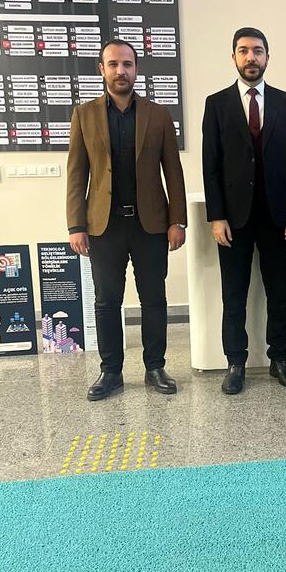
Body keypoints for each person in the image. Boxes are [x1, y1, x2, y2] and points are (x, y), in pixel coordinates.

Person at [66, 39, 187, 401]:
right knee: (106, 301)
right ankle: (111, 372)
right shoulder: (84, 115)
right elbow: (77, 174)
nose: (121, 71)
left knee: (154, 299)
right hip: (104, 226)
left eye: (128, 64)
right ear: (101, 69)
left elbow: (173, 171)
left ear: (136, 69)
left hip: (150, 224)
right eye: (114, 64)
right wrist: (76, 225)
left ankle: (155, 367)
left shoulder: (158, 114)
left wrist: (177, 220)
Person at [202, 28, 286, 395]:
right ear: (233, 57)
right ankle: (235, 363)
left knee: (279, 293)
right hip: (234, 220)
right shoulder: (216, 104)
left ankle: (279, 359)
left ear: (267, 57)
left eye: (258, 51)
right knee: (234, 295)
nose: (251, 57)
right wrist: (216, 216)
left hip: (278, 218)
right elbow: (210, 165)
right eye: (244, 51)